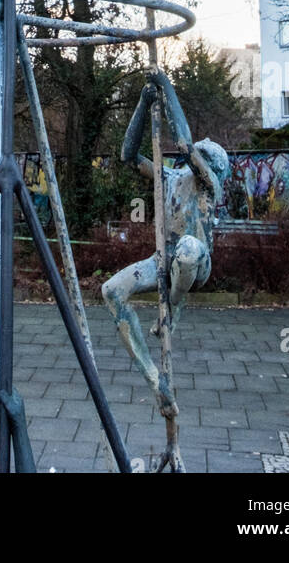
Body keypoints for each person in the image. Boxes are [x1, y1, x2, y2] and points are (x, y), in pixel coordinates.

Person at [101, 70, 229, 418]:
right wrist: (143, 102)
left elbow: (186, 146)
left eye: (202, 157)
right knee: (111, 291)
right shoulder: (169, 177)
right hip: (163, 260)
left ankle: (172, 308)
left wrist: (168, 88)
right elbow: (128, 156)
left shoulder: (209, 186)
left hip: (195, 263)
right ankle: (156, 380)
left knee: (188, 248)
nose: (192, 159)